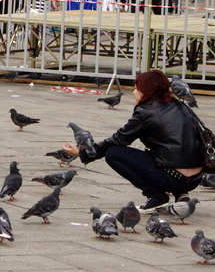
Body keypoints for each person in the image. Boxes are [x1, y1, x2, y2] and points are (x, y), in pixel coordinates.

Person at [61, 69, 204, 210]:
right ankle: (180, 193)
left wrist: (82, 153)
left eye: (136, 88)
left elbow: (118, 139)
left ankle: (156, 196)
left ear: (146, 90)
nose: (134, 92)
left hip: (174, 178)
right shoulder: (180, 106)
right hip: (195, 179)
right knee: (165, 150)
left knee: (113, 153)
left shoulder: (146, 111)